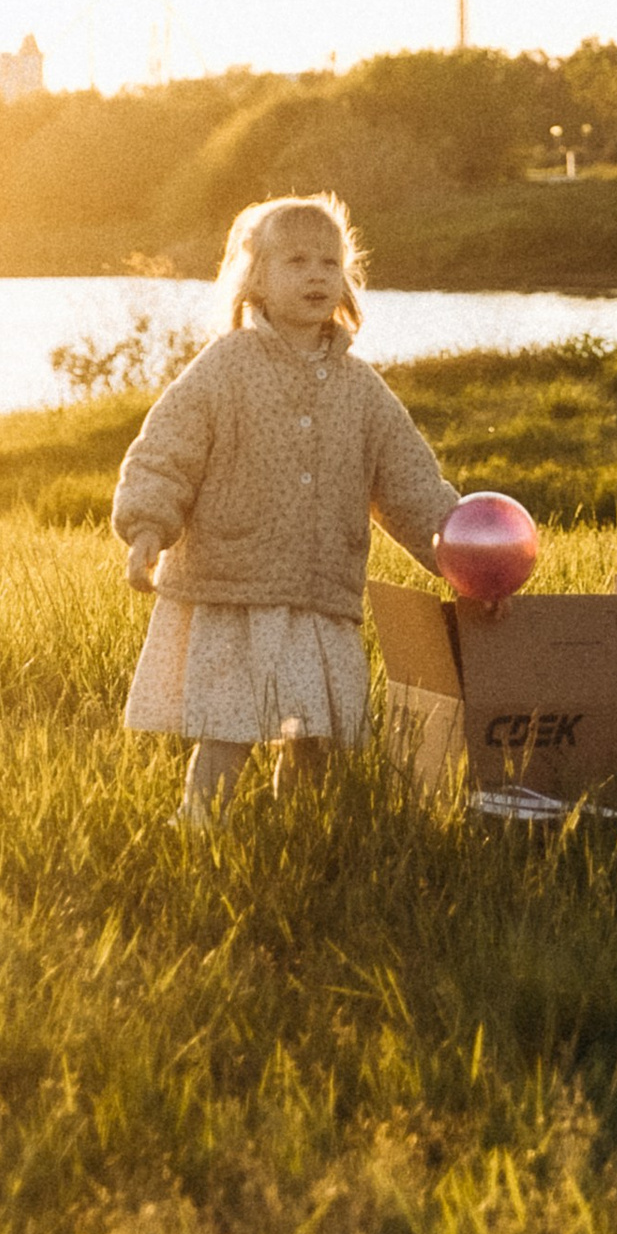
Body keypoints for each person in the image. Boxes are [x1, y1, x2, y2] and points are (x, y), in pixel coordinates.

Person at [113, 190, 474, 821]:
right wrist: (148, 526)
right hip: (234, 589)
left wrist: (464, 556)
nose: (315, 275)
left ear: (347, 280)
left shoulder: (363, 390)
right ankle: (202, 830)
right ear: (256, 279)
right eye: (297, 262)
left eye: (329, 264)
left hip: (318, 595)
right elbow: (167, 449)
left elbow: (410, 483)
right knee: (229, 731)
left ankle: (299, 837)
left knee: (313, 736)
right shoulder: (225, 368)